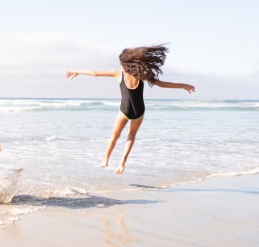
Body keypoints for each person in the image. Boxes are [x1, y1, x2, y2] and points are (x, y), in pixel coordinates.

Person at [66, 44, 195, 174]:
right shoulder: (142, 75)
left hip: (124, 111)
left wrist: (77, 71)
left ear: (125, 64)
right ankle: (122, 162)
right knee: (131, 136)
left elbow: (96, 73)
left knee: (114, 136)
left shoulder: (119, 74)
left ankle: (105, 160)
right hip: (139, 111)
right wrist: (183, 85)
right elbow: (162, 84)